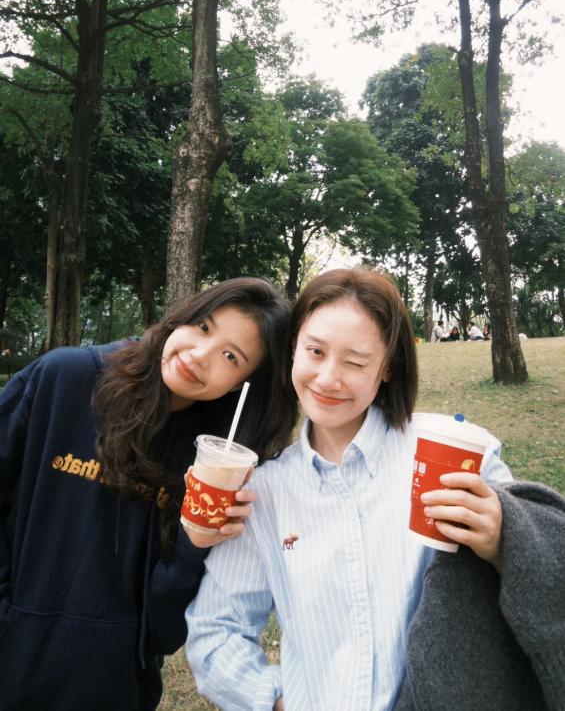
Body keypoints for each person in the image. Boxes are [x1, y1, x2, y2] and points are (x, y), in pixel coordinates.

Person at [186, 269, 512, 711]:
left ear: (388, 367)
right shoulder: (265, 492)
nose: (327, 378)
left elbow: (541, 579)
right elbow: (215, 630)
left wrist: (503, 542)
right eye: (315, 351)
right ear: (293, 349)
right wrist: (277, 701)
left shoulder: (452, 454)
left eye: (355, 362)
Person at [0, 277, 297, 711]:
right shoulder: (65, 378)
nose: (200, 355)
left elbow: (162, 632)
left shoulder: (210, 465)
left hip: (117, 691)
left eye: (230, 356)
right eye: (203, 327)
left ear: (240, 385)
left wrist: (193, 542)